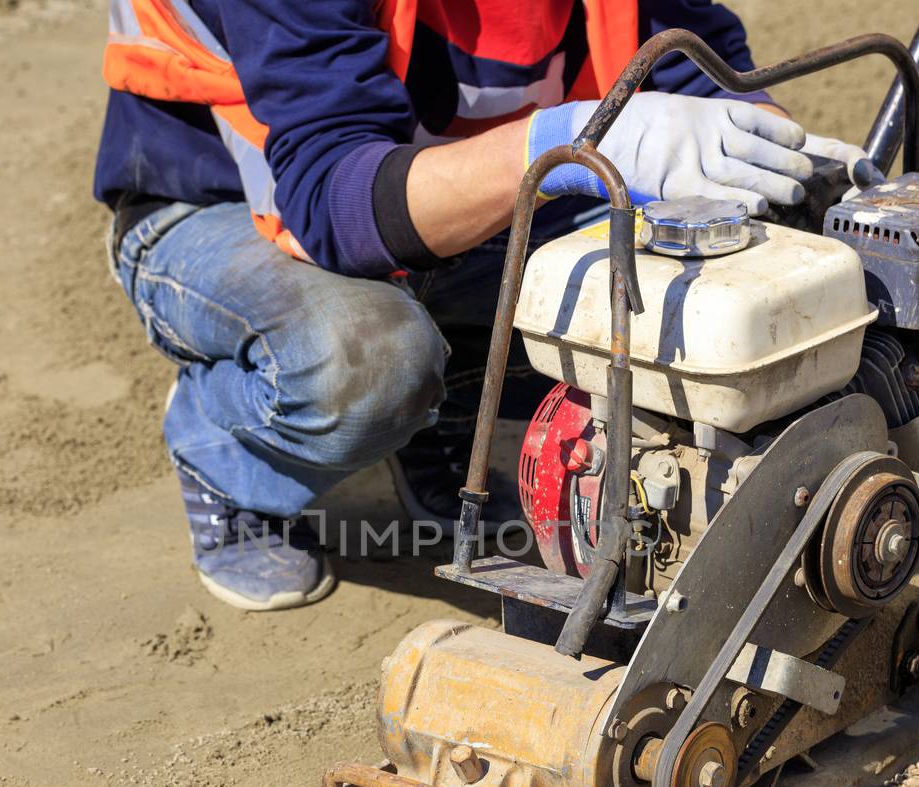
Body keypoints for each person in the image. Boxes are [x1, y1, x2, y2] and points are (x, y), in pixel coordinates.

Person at [95, 0, 867, 610]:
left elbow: (685, 58)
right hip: (223, 204)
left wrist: (786, 166)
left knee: (670, 312)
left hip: (459, 201)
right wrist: (563, 141)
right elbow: (333, 204)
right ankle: (224, 449)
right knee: (368, 361)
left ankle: (444, 405)